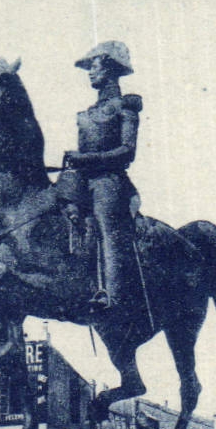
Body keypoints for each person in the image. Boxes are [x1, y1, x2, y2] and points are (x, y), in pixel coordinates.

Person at [59, 40, 141, 314]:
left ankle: (111, 294)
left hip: (109, 180)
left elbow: (127, 152)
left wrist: (88, 160)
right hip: (82, 179)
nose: (90, 72)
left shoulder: (125, 107)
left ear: (109, 68)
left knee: (105, 220)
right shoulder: (90, 112)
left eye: (94, 66)